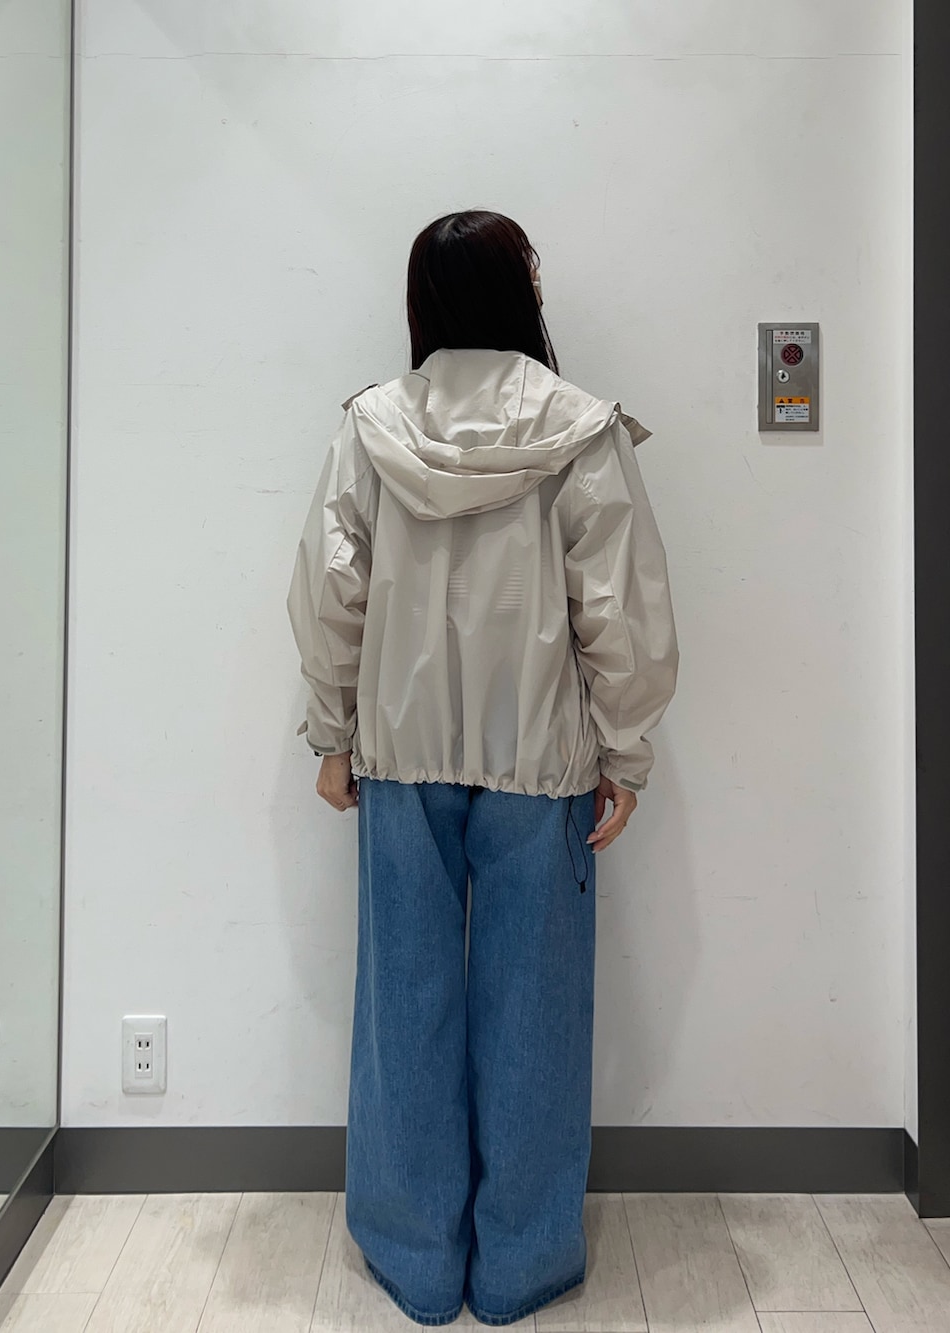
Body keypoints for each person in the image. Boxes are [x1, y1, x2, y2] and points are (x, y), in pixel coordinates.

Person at [286, 209, 679, 1327]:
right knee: (535, 1012)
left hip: (399, 752)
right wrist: (625, 750)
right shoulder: (580, 429)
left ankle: (416, 1263)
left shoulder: (371, 426)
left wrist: (331, 734)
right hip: (542, 757)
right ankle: (520, 1265)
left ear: (423, 300)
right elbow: (622, 612)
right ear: (520, 292)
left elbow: (329, 593)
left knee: (402, 1003)